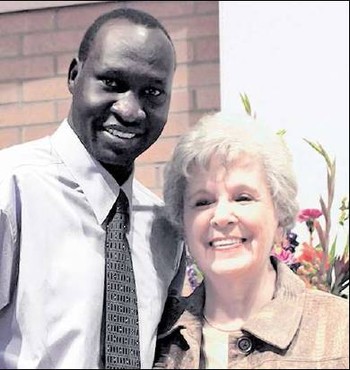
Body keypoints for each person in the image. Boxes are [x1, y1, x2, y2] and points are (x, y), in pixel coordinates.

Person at [0, 7, 185, 369]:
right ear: (74, 75)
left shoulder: (165, 230)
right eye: (112, 83)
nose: (131, 110)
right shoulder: (10, 189)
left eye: (152, 92)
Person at [153, 112, 349, 369]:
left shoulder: (340, 331)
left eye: (243, 197)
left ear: (280, 216)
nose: (221, 217)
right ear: (183, 223)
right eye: (203, 202)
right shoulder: (160, 341)